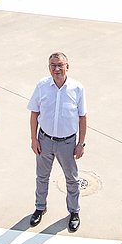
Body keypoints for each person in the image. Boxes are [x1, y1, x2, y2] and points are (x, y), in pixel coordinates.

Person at [27, 52, 88, 232]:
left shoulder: (77, 88)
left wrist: (81, 143)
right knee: (42, 177)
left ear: (67, 67)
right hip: (44, 140)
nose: (57, 69)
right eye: (53, 65)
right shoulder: (42, 86)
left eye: (60, 65)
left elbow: (82, 117)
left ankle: (74, 212)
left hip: (68, 143)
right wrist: (33, 139)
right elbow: (34, 113)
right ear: (49, 68)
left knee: (72, 179)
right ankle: (40, 207)